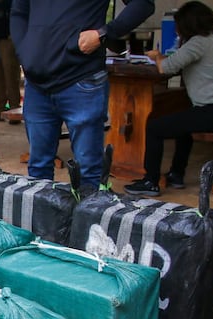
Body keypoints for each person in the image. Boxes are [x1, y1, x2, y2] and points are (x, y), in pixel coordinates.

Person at [11, 0, 155, 187]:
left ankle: (85, 215)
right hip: (37, 85)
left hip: (81, 80)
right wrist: (25, 52)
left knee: (88, 171)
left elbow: (143, 3)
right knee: (38, 168)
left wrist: (103, 33)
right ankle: (42, 216)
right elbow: (18, 13)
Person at [123, 1, 213, 196]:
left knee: (154, 127)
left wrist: (157, 56)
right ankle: (176, 174)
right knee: (184, 121)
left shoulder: (198, 43)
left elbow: (167, 67)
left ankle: (150, 181)